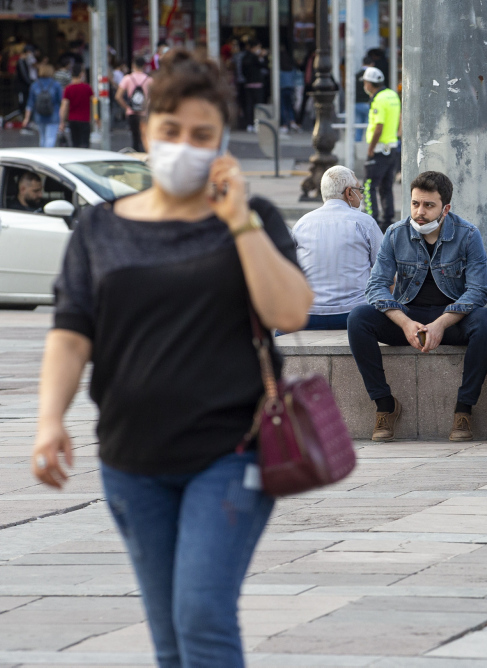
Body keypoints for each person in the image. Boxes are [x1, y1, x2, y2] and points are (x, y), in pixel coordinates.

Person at [31, 49, 313, 668]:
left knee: (202, 615)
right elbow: (71, 333)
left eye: (202, 135)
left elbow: (291, 311)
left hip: (231, 452)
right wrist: (50, 420)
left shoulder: (252, 218)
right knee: (169, 637)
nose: (185, 145)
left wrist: (239, 222)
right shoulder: (100, 229)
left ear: (223, 141)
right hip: (131, 461)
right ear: (146, 131)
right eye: (172, 130)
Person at [347, 171, 487, 443]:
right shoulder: (396, 233)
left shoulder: (468, 235)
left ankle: (463, 410)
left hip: (451, 320)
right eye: (415, 204)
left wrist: (441, 323)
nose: (419, 212)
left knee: (486, 321)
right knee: (358, 318)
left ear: (445, 209)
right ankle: (385, 405)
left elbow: (478, 291)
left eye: (429, 205)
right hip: (409, 317)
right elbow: (376, 286)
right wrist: (404, 323)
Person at [291, 166, 382, 330]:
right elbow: (385, 271)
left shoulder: (302, 224)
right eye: (359, 190)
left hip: (309, 315)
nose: (361, 196)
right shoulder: (364, 223)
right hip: (353, 314)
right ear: (349, 193)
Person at [362, 66, 401, 232]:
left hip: (379, 150)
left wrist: (371, 148)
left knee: (368, 185)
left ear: (369, 84)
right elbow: (400, 118)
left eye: (365, 82)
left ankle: (372, 220)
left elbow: (379, 127)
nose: (364, 85)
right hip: (392, 148)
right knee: (386, 186)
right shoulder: (392, 95)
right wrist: (397, 136)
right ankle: (387, 222)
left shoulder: (378, 99)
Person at [22, 63, 62, 148]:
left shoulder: (35, 85)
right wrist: (62, 119)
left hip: (39, 115)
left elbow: (30, 103)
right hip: (53, 115)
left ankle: (42, 153)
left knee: (42, 137)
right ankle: (48, 154)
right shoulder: (56, 85)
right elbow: (60, 101)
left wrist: (26, 118)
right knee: (50, 137)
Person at [116, 57, 151, 152]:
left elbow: (118, 96)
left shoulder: (127, 78)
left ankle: (136, 155)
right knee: (144, 138)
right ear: (144, 66)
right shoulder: (149, 80)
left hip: (131, 113)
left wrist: (127, 107)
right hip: (144, 113)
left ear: (133, 65)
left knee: (135, 138)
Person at [59, 65, 93, 148]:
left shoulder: (68, 88)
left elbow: (64, 106)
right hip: (85, 119)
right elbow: (94, 103)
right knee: (85, 144)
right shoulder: (87, 88)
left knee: (75, 144)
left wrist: (62, 122)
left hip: (72, 119)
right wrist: (97, 118)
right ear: (81, 74)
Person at [241, 41, 265, 132]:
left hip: (248, 84)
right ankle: (257, 123)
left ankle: (249, 124)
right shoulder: (255, 57)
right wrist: (261, 57)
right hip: (257, 84)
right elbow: (263, 65)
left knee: (249, 105)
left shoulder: (244, 57)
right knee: (258, 105)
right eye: (258, 47)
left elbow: (242, 71)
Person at [278, 48, 299, 133]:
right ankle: (292, 122)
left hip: (282, 88)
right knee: (290, 106)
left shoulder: (280, 68)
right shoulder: (292, 68)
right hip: (290, 88)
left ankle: (284, 125)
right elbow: (295, 78)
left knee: (283, 107)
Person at [355, 56, 373, 141]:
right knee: (369, 126)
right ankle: (367, 143)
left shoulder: (357, 75)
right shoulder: (371, 76)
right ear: (372, 64)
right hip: (367, 103)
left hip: (357, 103)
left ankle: (357, 143)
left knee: (358, 126)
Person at [16, 44, 37, 114]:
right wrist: (31, 83)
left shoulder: (26, 61)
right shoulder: (21, 61)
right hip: (22, 87)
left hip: (26, 86)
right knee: (22, 103)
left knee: (27, 101)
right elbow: (24, 75)